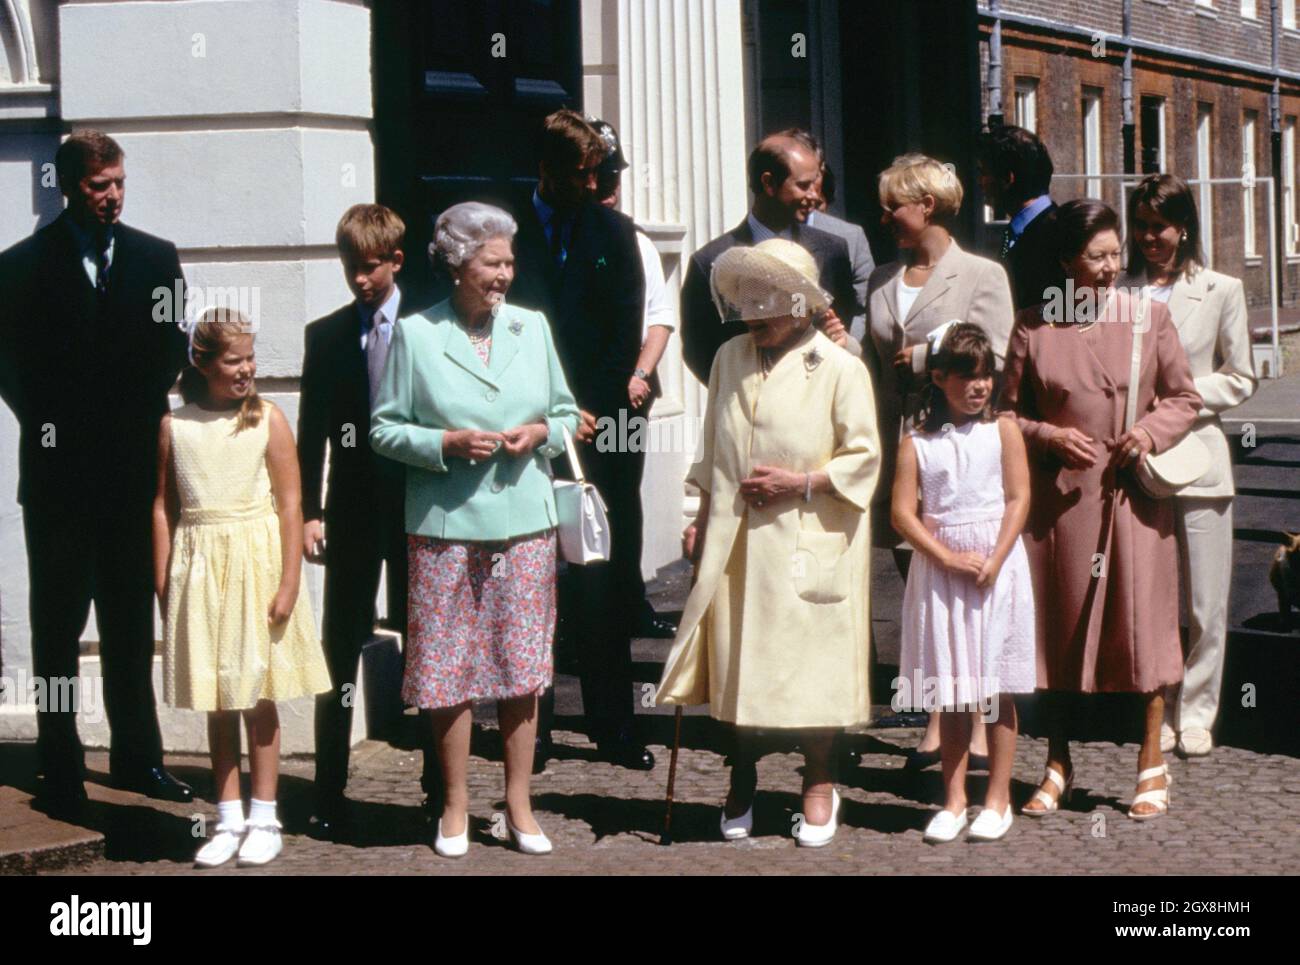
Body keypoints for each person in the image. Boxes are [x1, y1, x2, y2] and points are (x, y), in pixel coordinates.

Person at [370, 201, 580, 857]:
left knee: (523, 668)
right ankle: (455, 804)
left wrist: (541, 432)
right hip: (445, 525)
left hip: (524, 522)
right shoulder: (416, 334)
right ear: (459, 263)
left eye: (509, 261)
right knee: (446, 669)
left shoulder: (532, 327)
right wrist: (443, 441)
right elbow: (383, 427)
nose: (504, 273)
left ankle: (519, 803)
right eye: (493, 261)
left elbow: (568, 414)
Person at [657, 238, 880, 847]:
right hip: (738, 539)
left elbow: (865, 459)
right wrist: (702, 515)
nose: (755, 319)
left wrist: (801, 482)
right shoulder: (730, 357)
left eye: (768, 308)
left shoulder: (840, 368)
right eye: (747, 307)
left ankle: (819, 778)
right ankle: (743, 775)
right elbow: (714, 449)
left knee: (813, 664)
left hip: (813, 534)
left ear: (802, 305)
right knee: (739, 660)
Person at [0, 130, 193, 813]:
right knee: (56, 627)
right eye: (97, 186)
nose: (111, 196)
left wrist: (124, 414)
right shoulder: (19, 267)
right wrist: (58, 424)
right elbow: (10, 366)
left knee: (128, 623)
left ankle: (140, 757)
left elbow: (173, 346)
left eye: (117, 182)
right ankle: (59, 763)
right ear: (67, 187)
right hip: (57, 482)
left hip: (132, 476)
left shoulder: (155, 259)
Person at [999, 199, 1202, 821]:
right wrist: (1044, 435)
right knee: (1057, 636)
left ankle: (1150, 760)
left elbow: (1184, 397)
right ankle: (1057, 761)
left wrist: (1147, 433)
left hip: (1132, 501)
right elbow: (1003, 412)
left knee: (1143, 633)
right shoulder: (1033, 326)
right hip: (1061, 508)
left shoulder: (1149, 318)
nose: (1113, 267)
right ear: (1066, 261)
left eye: (1118, 254)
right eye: (1097, 257)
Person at [154, 307, 331, 867]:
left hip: (254, 569)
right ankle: (227, 818)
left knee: (257, 696)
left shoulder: (267, 419)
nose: (247, 369)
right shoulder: (175, 426)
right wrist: (163, 580)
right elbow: (163, 507)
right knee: (217, 697)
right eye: (234, 360)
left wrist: (287, 581)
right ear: (203, 364)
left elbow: (290, 504)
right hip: (200, 572)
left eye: (251, 358)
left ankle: (265, 816)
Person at [507, 110, 655, 771]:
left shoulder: (613, 231)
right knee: (530, 577)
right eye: (580, 174)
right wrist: (544, 410)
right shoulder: (504, 230)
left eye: (599, 173)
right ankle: (529, 729)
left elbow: (622, 326)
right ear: (545, 169)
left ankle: (613, 724)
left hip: (599, 427)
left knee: (603, 575)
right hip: (524, 426)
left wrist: (584, 406)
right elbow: (498, 324)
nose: (594, 185)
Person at [865, 153, 1015, 768]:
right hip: (901, 445)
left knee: (970, 586)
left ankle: (980, 720)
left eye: (893, 205)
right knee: (921, 583)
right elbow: (872, 360)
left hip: (962, 448)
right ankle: (936, 717)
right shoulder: (880, 279)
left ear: (926, 205)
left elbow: (999, 358)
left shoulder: (982, 275)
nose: (884, 216)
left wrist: (930, 362)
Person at [297, 204, 438, 837]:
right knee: (337, 650)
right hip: (351, 511)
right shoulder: (326, 335)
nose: (359, 280)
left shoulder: (430, 325)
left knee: (428, 645)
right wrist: (308, 512)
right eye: (351, 268)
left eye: (371, 268)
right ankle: (328, 789)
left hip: (418, 508)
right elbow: (310, 433)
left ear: (396, 261)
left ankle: (440, 787)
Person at [1117, 174, 1257, 758]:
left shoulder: (1222, 289)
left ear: (1184, 228)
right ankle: (1158, 705)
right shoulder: (1119, 291)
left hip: (1198, 457)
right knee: (1150, 598)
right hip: (1137, 461)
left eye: (1161, 227)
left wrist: (1176, 396)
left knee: (1204, 601)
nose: (1150, 238)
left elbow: (1241, 376)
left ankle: (1197, 711)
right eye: (1142, 227)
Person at [891, 323, 1034, 843]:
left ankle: (997, 799)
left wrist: (995, 557)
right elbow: (903, 515)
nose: (979, 387)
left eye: (986, 376)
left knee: (995, 687)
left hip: (996, 570)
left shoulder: (1005, 432)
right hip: (944, 571)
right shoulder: (918, 444)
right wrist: (946, 556)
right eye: (967, 377)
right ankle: (953, 799)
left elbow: (1018, 498)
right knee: (950, 690)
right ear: (939, 378)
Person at [589, 116, 677, 640]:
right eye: (600, 176)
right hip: (577, 401)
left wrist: (640, 374)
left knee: (622, 496)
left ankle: (628, 599)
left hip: (627, 400)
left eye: (613, 176)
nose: (609, 188)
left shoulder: (635, 241)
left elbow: (659, 318)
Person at [679, 132, 860, 384]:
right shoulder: (710, 261)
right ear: (769, 183)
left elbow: (841, 322)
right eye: (803, 185)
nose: (816, 197)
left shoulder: (832, 251)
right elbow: (699, 349)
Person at [978, 125, 1062, 311]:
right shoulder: (1019, 230)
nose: (980, 182)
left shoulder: (1058, 233)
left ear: (1008, 179)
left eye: (984, 173)